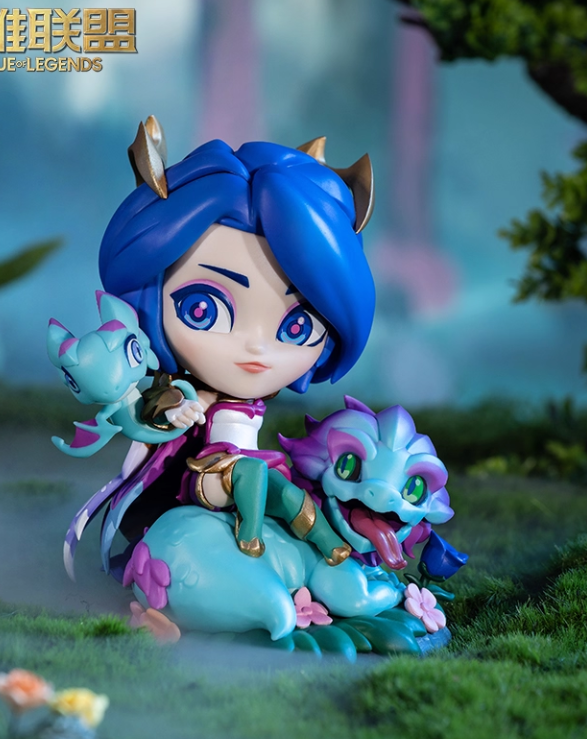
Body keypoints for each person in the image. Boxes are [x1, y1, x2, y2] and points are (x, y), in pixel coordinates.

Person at [90, 116, 377, 572]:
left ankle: (332, 550)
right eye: (202, 309)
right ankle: (249, 538)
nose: (255, 348)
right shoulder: (191, 390)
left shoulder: (253, 400)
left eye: (297, 327)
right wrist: (177, 410)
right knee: (253, 472)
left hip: (249, 471)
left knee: (287, 492)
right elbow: (160, 406)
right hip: (201, 477)